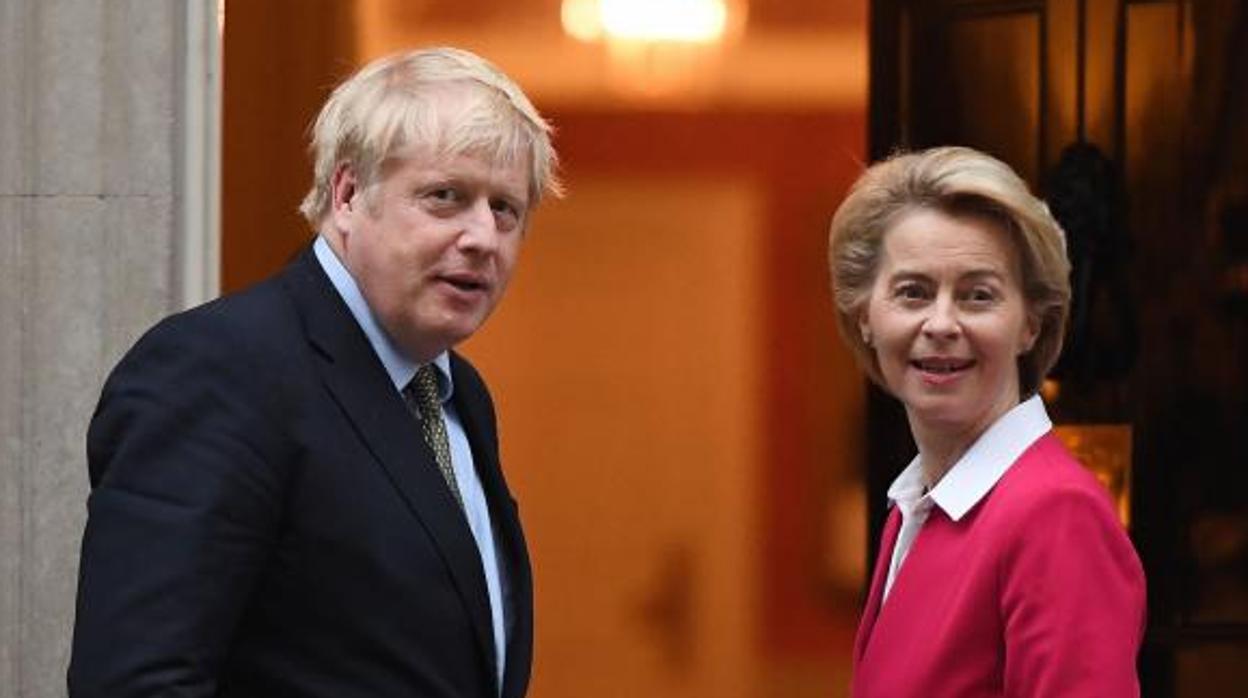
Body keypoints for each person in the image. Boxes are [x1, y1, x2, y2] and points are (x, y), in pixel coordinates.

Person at [69, 47, 559, 697]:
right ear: (349, 195)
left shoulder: (456, 393)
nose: (483, 237)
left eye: (506, 209)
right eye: (446, 196)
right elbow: (137, 681)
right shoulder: (220, 371)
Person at [827, 146, 1146, 696]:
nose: (942, 323)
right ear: (865, 316)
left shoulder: (1053, 514)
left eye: (978, 295)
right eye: (913, 293)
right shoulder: (915, 509)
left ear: (1030, 324)